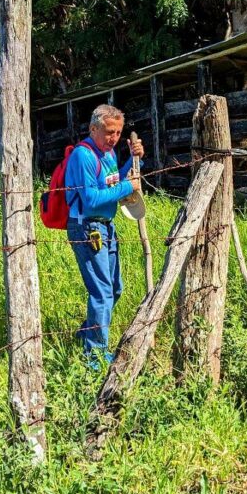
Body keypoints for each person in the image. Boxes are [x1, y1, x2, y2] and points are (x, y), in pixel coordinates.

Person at [64, 104, 144, 368]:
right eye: (110, 132)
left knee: (115, 288)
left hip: (106, 226)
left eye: (119, 132)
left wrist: (135, 162)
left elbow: (113, 182)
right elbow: (90, 199)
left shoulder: (107, 153)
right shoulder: (83, 155)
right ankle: (95, 356)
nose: (115, 138)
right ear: (93, 128)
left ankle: (88, 333)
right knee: (102, 293)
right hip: (87, 227)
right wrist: (125, 186)